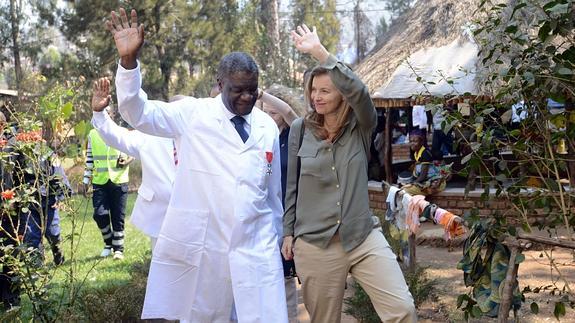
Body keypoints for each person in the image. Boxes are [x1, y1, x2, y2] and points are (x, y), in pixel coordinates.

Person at [106, 8, 287, 322]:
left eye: (252, 90)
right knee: (205, 315)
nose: (246, 97)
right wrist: (128, 62)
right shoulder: (193, 114)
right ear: (219, 83)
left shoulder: (266, 127)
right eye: (237, 90)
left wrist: (277, 236)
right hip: (206, 250)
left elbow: (272, 197)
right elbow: (137, 112)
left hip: (255, 250)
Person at [282, 25, 417, 323]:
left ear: (342, 94)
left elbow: (360, 91)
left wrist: (320, 52)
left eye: (325, 90)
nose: (316, 97)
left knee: (403, 310)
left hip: (361, 236)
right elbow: (291, 184)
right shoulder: (300, 130)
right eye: (313, 90)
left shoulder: (362, 126)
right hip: (315, 243)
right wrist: (289, 232)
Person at [91, 77, 177, 252]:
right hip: (161, 222)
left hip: (199, 222)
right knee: (164, 271)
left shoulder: (205, 140)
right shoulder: (151, 137)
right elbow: (118, 137)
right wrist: (99, 113)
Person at [259, 86, 300, 322]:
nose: (270, 118)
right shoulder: (260, 136)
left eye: (274, 114)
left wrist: (262, 94)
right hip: (265, 217)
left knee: (286, 280)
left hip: (290, 218)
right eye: (265, 112)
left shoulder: (296, 135)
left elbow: (291, 115)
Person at [83, 105, 133, 260]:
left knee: (118, 216)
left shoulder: (122, 132)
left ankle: (118, 249)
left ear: (113, 115)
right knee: (100, 214)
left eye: (108, 113)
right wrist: (86, 179)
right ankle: (108, 243)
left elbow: (133, 152)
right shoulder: (92, 134)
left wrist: (127, 160)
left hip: (119, 180)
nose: (105, 116)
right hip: (100, 181)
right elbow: (90, 158)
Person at [401, 129, 449, 196]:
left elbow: (423, 175)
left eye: (415, 141)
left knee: (406, 190)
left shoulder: (425, 153)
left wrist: (412, 183)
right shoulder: (416, 152)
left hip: (434, 180)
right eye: (411, 141)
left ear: (421, 142)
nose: (412, 143)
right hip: (426, 178)